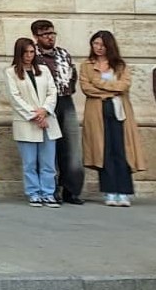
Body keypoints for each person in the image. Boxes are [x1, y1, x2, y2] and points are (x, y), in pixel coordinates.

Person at [80, 30, 145, 206]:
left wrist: (100, 85)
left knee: (121, 149)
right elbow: (87, 88)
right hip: (97, 112)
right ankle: (109, 191)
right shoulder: (86, 65)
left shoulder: (120, 65)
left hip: (119, 111)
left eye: (102, 44)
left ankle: (123, 191)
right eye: (95, 44)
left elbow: (124, 86)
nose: (99, 48)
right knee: (104, 150)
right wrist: (109, 90)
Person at [32, 19, 83, 205]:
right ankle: (50, 190)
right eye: (45, 34)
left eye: (52, 33)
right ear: (36, 36)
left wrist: (68, 89)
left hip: (65, 100)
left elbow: (73, 76)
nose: (50, 37)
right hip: (44, 103)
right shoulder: (33, 55)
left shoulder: (63, 54)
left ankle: (71, 190)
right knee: (48, 149)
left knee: (71, 147)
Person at [5, 37, 61, 207]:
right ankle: (33, 192)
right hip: (27, 122)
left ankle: (48, 192)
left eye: (31, 52)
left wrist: (44, 111)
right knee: (30, 162)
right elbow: (15, 98)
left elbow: (52, 92)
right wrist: (35, 116)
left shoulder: (43, 70)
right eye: (26, 52)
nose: (29, 55)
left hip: (47, 120)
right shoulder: (11, 72)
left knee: (48, 162)